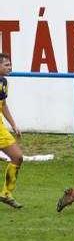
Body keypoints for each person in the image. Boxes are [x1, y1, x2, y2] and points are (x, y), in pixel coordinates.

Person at [0, 53, 23, 209]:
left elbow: (3, 105)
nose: (10, 67)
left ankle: (6, 193)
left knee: (17, 157)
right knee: (17, 156)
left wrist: (14, 124)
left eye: (10, 64)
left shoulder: (3, 82)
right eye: (6, 65)